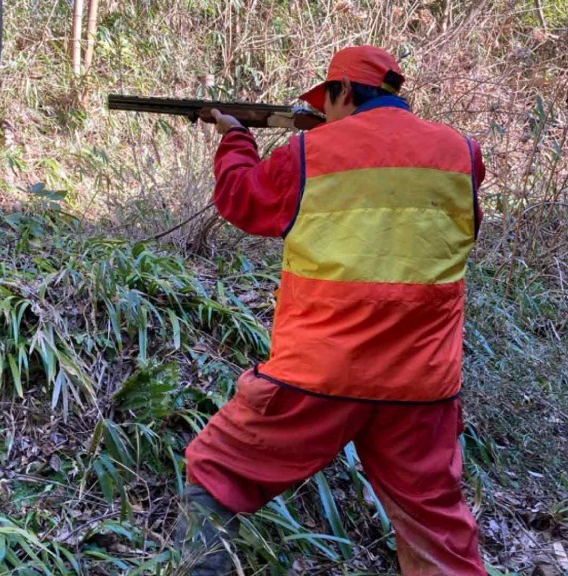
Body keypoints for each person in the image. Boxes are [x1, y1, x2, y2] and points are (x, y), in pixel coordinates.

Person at [173, 46, 488, 575]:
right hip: (422, 385)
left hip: (318, 375)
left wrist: (234, 136)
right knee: (438, 532)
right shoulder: (462, 152)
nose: (324, 113)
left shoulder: (308, 152)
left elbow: (240, 200)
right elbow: (458, 230)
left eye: (328, 101)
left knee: (214, 471)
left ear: (343, 92)